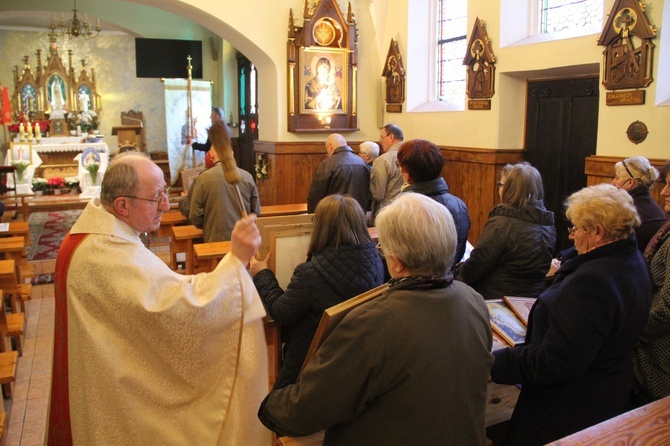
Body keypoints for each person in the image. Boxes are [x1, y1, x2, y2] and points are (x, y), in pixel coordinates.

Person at [48, 152, 271, 445]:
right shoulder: (104, 253)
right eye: (156, 197)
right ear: (122, 205)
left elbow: (161, 292)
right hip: (105, 390)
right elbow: (174, 308)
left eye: (165, 192)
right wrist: (236, 261)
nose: (166, 204)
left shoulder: (107, 234)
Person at [258, 193, 494, 445]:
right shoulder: (474, 301)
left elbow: (306, 410)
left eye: (383, 248)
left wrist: (268, 406)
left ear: (398, 262)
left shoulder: (372, 322)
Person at [491, 183, 652, 446]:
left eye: (576, 228)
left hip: (568, 410)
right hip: (606, 393)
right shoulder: (633, 260)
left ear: (597, 232)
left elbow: (556, 361)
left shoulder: (592, 282)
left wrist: (496, 364)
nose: (572, 236)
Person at [250, 195, 384, 389]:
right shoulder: (377, 261)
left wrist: (262, 274)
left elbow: (281, 313)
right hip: (356, 363)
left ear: (321, 228)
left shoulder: (310, 274)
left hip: (310, 367)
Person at [456, 162, 556, 300]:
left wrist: (455, 277)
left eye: (501, 185)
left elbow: (475, 268)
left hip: (495, 301)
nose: (499, 190)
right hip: (530, 302)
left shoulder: (501, 225)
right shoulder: (548, 227)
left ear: (510, 190)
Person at [397, 138, 471, 264]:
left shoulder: (404, 208)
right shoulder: (459, 204)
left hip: (415, 281)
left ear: (407, 175)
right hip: (450, 278)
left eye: (399, 166)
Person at [633, 160, 670, 405]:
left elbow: (667, 310)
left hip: (656, 366)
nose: (664, 192)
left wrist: (629, 332)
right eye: (666, 184)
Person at [189, 142, 261, 242]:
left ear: (211, 154)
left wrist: (209, 225)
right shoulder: (247, 176)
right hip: (243, 238)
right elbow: (256, 210)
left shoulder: (203, 178)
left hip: (214, 237)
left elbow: (195, 216)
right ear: (232, 154)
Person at [611, 156, 666, 252]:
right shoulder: (659, 211)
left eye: (616, 178)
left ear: (630, 182)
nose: (613, 183)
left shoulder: (624, 214)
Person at [307, 133, 370, 213]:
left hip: (333, 215)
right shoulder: (362, 163)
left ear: (330, 147)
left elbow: (316, 196)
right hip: (357, 214)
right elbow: (368, 192)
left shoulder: (327, 165)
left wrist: (313, 218)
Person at [369, 123, 404, 225]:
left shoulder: (383, 160)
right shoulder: (413, 155)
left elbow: (378, 194)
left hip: (387, 213)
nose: (380, 141)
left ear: (391, 137)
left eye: (382, 137)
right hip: (408, 209)